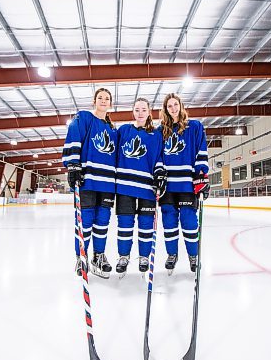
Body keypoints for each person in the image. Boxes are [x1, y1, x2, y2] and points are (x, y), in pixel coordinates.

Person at [62, 88, 117, 278]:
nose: (103, 101)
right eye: (100, 97)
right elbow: (73, 136)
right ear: (94, 101)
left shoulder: (112, 128)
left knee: (102, 221)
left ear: (111, 104)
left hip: (108, 183)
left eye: (107, 98)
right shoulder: (84, 117)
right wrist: (73, 165)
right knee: (85, 221)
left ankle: (98, 255)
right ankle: (81, 257)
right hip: (88, 180)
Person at [115, 98, 166, 275]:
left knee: (146, 224)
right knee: (125, 223)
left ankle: (144, 256)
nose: (140, 113)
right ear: (133, 112)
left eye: (143, 109)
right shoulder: (123, 130)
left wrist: (159, 173)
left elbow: (159, 158)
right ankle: (123, 256)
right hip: (124, 186)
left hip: (147, 187)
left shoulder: (156, 134)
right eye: (137, 110)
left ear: (149, 111)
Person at [159, 93, 210, 272]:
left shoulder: (194, 127)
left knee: (189, 221)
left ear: (181, 105)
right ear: (165, 109)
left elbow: (201, 152)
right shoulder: (161, 131)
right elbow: (157, 157)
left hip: (187, 183)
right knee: (169, 221)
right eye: (169, 106)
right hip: (167, 186)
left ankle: (193, 256)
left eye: (175, 104)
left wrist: (202, 176)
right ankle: (172, 254)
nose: (173, 108)